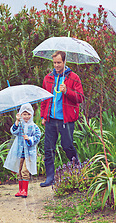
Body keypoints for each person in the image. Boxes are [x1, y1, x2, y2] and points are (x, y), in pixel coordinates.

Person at [40, 51, 84, 187]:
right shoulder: (48, 78)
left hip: (66, 120)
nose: (56, 65)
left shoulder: (73, 77)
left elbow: (80, 98)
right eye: (54, 63)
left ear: (65, 62)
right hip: (50, 119)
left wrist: (67, 91)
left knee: (67, 146)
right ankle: (50, 177)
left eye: (59, 62)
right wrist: (43, 116)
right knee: (48, 148)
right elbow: (44, 98)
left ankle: (78, 170)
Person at [4, 103, 41, 197]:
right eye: (24, 114)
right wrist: (17, 121)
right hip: (19, 152)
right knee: (19, 171)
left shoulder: (34, 126)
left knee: (25, 170)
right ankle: (20, 190)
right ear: (21, 114)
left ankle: (25, 190)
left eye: (29, 114)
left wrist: (29, 139)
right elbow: (13, 131)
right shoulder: (20, 125)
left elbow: (37, 136)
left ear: (32, 114)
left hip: (29, 153)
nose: (27, 116)